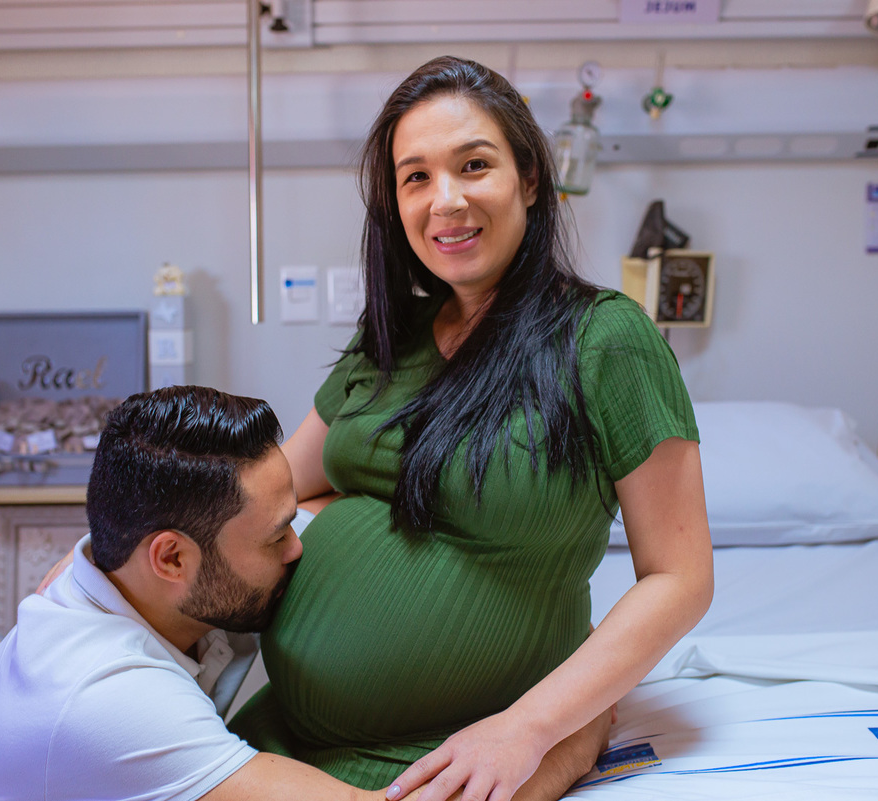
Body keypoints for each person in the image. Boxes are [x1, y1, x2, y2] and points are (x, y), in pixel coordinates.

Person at [229, 56, 714, 801]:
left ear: (528, 180)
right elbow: (273, 487)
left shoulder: (603, 339)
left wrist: (526, 727)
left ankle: (572, 737)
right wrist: (117, 548)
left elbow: (680, 577)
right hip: (286, 733)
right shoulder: (390, 338)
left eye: (473, 164)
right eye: (415, 176)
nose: (444, 200)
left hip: (464, 747)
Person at [0, 386, 608, 801]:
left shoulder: (122, 572)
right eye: (275, 537)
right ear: (170, 556)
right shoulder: (107, 700)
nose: (298, 546)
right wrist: (572, 733)